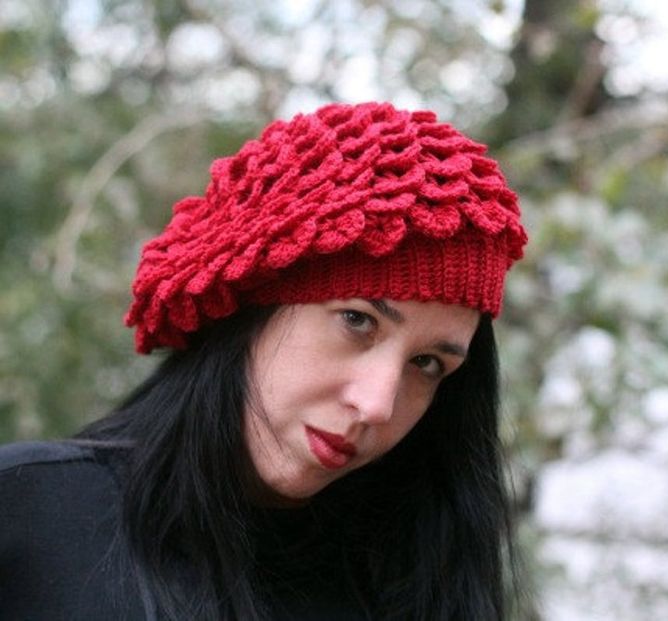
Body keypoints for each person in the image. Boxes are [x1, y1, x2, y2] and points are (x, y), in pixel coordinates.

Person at [0, 101, 528, 620]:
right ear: (254, 300)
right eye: (358, 320)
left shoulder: (410, 587)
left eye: (428, 364)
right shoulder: (23, 512)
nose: (376, 405)